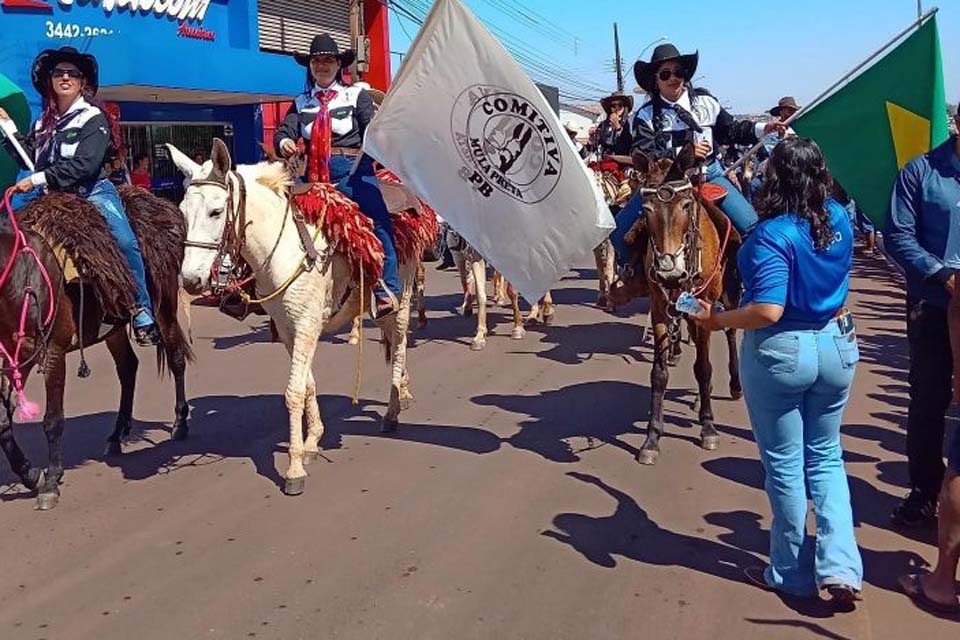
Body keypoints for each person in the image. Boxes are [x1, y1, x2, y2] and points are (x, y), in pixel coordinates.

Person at [690, 138, 863, 610]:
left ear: (774, 178)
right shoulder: (840, 219)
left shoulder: (772, 236)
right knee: (826, 456)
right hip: (836, 342)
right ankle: (841, 565)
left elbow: (767, 310)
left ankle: (790, 573)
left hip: (783, 350)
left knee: (786, 465)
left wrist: (716, 319)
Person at [0, 46, 159, 345]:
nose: (65, 77)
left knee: (124, 241)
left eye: (72, 73)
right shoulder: (43, 124)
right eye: (58, 73)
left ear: (82, 81)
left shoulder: (92, 117)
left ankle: (141, 308)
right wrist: (7, 128)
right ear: (49, 81)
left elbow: (84, 165)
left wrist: (36, 179)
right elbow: (29, 159)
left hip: (92, 194)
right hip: (52, 200)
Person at [609, 44, 785, 266]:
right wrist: (683, 152)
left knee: (751, 227)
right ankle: (636, 275)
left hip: (708, 175)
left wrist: (762, 129)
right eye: (666, 74)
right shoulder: (643, 116)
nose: (674, 78)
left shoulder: (706, 102)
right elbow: (644, 151)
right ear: (656, 80)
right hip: (665, 183)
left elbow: (730, 130)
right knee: (618, 234)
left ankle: (739, 281)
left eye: (678, 72)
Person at [274, 33, 399, 318]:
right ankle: (257, 292)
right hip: (312, 177)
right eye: (317, 61)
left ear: (338, 65)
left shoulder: (356, 95)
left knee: (379, 221)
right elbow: (284, 131)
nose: (322, 66)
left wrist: (376, 139)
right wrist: (285, 143)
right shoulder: (302, 101)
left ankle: (386, 290)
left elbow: (372, 129)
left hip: (351, 172)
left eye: (328, 60)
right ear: (310, 66)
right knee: (276, 219)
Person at [884, 109, 960, 527]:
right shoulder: (921, 173)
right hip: (933, 304)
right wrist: (942, 274)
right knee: (929, 398)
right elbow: (898, 234)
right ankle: (925, 491)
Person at [594, 90, 633, 157]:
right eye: (613, 105)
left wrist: (618, 127)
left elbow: (629, 144)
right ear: (610, 108)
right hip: (606, 160)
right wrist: (593, 138)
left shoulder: (629, 123)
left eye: (620, 105)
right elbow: (595, 145)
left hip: (623, 161)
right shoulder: (603, 124)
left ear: (624, 107)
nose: (616, 108)